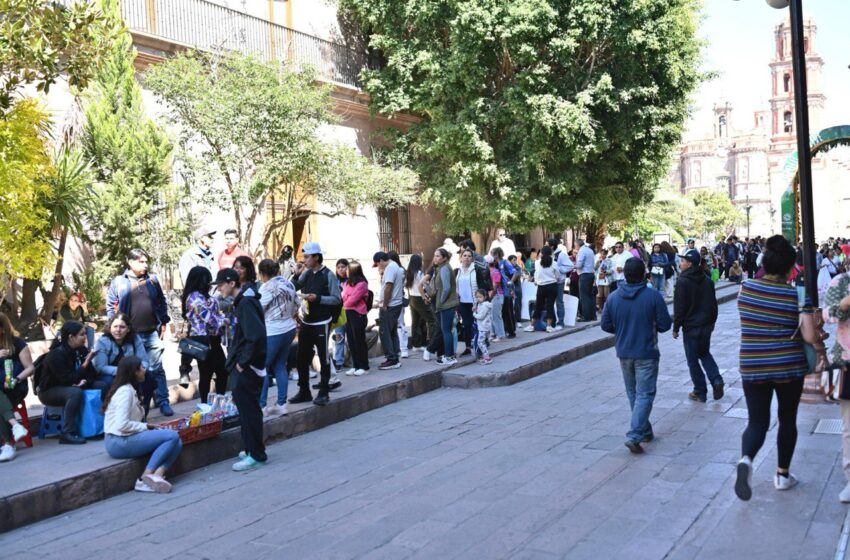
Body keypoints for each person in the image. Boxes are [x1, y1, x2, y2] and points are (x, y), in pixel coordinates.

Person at [734, 235, 814, 501]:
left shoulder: (745, 289)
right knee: (787, 418)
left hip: (753, 363)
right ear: (791, 267)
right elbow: (809, 335)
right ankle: (782, 475)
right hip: (788, 366)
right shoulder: (796, 295)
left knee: (756, 421)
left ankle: (746, 459)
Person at [601, 259, 672, 454]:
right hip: (647, 352)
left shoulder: (614, 298)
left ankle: (645, 430)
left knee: (634, 393)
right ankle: (634, 434)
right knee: (645, 394)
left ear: (624, 274)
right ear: (644, 274)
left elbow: (605, 325)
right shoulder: (653, 296)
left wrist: (622, 330)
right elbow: (665, 325)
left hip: (624, 352)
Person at [107, 248, 173, 416]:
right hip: (131, 335)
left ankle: (163, 401)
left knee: (156, 368)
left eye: (146, 261)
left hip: (152, 332)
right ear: (130, 262)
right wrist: (117, 328)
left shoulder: (152, 280)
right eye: (141, 261)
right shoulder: (118, 282)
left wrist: (163, 321)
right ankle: (140, 407)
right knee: (136, 371)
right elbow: (111, 307)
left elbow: (161, 302)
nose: (145, 265)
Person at [102, 356, 183, 493]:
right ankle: (144, 478)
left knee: (178, 441)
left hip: (127, 436)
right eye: (142, 367)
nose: (145, 370)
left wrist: (148, 428)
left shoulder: (130, 389)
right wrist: (146, 427)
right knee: (171, 436)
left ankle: (157, 476)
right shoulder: (124, 392)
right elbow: (121, 425)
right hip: (118, 441)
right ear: (135, 372)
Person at [215, 268, 268, 471]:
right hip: (245, 364)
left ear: (231, 283)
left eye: (221, 285)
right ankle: (251, 449)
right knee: (246, 410)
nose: (219, 289)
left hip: (248, 367)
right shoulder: (244, 301)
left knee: (249, 411)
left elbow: (255, 337)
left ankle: (256, 453)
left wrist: (242, 362)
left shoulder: (246, 302)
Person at [290, 242, 342, 406]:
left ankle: (324, 391)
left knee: (323, 356)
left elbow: (337, 298)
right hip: (307, 321)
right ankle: (304, 391)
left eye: (306, 257)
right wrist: (297, 275)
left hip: (322, 321)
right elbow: (293, 286)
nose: (304, 260)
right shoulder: (307, 273)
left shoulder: (328, 275)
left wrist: (317, 298)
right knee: (301, 357)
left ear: (316, 257)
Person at [673, 249, 724, 403]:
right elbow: (713, 304)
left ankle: (700, 391)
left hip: (691, 327)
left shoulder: (682, 281)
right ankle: (716, 379)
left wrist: (676, 327)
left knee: (693, 359)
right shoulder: (707, 279)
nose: (680, 263)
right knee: (705, 353)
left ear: (689, 263)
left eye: (682, 261)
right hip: (706, 325)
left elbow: (679, 308)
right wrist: (713, 321)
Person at [37, 321, 97, 444]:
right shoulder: (57, 354)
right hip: (49, 391)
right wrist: (85, 364)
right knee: (74, 393)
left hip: (72, 384)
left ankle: (98, 427)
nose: (85, 337)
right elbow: (66, 380)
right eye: (82, 334)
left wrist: (85, 381)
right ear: (71, 337)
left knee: (101, 384)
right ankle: (67, 432)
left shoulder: (81, 349)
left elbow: (93, 374)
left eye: (85, 334)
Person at [257, 259, 299, 417]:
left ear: (263, 273)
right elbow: (297, 305)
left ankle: (262, 406)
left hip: (272, 330)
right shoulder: (289, 284)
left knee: (263, 368)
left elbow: (259, 307)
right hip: (289, 327)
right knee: (280, 365)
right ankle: (282, 404)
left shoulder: (267, 287)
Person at [181, 266, 229, 404]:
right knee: (207, 374)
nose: (208, 281)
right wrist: (223, 321)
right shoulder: (194, 297)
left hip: (213, 338)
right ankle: (205, 405)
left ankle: (218, 401)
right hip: (201, 339)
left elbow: (216, 314)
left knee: (221, 372)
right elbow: (208, 317)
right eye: (206, 278)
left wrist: (220, 319)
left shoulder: (205, 295)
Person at [823, 268, 850, 503]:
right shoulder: (841, 281)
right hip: (848, 362)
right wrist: (846, 302)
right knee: (849, 426)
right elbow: (828, 314)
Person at [0, 313, 35, 461]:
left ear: (2, 328)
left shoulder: (17, 343)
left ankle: (8, 444)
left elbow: (30, 368)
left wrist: (17, 379)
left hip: (15, 387)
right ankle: (15, 425)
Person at [93, 313, 149, 398]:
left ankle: (143, 406)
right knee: (109, 382)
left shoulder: (135, 339)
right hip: (110, 374)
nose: (118, 330)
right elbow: (101, 367)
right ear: (110, 327)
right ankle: (111, 408)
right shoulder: (103, 341)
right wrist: (124, 372)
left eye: (122, 327)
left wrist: (142, 369)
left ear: (128, 329)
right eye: (115, 326)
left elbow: (144, 361)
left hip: (132, 372)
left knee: (149, 376)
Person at [373, 251, 404, 370]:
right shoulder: (395, 266)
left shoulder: (390, 268)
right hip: (394, 304)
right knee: (392, 331)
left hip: (390, 305)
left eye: (377, 264)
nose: (378, 267)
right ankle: (395, 356)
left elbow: (388, 287)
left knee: (385, 332)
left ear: (381, 260)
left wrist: (384, 304)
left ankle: (391, 358)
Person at [342, 261, 370, 376]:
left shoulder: (362, 284)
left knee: (359, 340)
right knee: (351, 340)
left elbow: (353, 299)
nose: (345, 271)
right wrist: (346, 300)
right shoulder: (347, 283)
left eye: (347, 269)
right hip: (348, 313)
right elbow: (343, 296)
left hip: (357, 313)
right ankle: (355, 365)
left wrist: (345, 302)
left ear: (353, 270)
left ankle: (364, 366)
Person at [433, 248, 459, 365]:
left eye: (438, 256)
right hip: (447, 304)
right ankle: (449, 355)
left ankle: (449, 356)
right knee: (446, 330)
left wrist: (442, 300)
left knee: (446, 331)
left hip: (447, 304)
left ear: (444, 258)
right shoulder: (443, 268)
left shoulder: (444, 269)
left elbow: (446, 288)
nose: (435, 258)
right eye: (435, 255)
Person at [525, 248, 560, 332]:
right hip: (552, 285)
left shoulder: (537, 263)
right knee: (550, 306)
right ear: (551, 253)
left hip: (541, 286)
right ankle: (549, 326)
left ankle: (532, 325)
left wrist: (537, 281)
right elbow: (557, 275)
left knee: (538, 306)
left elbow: (536, 274)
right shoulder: (554, 263)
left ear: (541, 253)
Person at [406, 254, 431, 353]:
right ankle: (425, 343)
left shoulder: (409, 273)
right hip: (419, 297)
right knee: (428, 320)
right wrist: (425, 297)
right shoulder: (419, 273)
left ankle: (416, 344)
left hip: (412, 297)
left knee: (415, 321)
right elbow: (423, 285)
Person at [491, 247, 518, 338]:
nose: (492, 256)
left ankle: (511, 331)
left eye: (493, 254)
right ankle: (505, 329)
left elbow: (515, 272)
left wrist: (511, 281)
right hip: (499, 290)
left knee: (507, 310)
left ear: (497, 254)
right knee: (501, 311)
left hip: (506, 289)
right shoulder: (494, 263)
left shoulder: (504, 262)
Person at [456, 249, 479, 356]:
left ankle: (481, 344)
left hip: (474, 301)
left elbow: (479, 286)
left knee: (478, 324)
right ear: (461, 258)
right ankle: (468, 347)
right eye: (464, 255)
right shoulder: (458, 270)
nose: (466, 258)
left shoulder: (475, 270)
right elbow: (456, 286)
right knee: (467, 324)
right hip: (462, 302)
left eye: (469, 256)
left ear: (472, 258)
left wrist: (477, 302)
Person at [331, 259, 350, 370]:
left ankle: (351, 360)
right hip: (339, 313)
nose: (341, 269)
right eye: (339, 267)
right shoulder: (334, 281)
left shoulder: (352, 280)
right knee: (339, 337)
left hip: (350, 311)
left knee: (351, 338)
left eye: (343, 267)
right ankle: (339, 361)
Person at [552, 239, 573, 327]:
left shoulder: (561, 255)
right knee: (550, 302)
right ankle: (552, 322)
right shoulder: (550, 254)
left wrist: (559, 270)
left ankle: (560, 322)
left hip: (559, 281)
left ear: (552, 246)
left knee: (559, 301)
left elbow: (570, 266)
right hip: (550, 281)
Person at [575, 239, 596, 321]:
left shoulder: (581, 251)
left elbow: (579, 265)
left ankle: (586, 316)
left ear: (577, 245)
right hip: (591, 274)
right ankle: (592, 315)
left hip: (584, 275)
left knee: (584, 296)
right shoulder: (590, 250)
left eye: (575, 245)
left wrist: (573, 266)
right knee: (590, 296)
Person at [487, 254, 505, 341]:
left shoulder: (495, 272)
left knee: (496, 316)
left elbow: (495, 287)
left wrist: (490, 296)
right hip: (491, 295)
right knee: (491, 316)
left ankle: (500, 334)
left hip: (496, 295)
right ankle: (493, 333)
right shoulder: (490, 271)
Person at [472, 289, 493, 365]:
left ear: (485, 297)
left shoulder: (485, 305)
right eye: (477, 297)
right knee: (483, 342)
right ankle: (485, 356)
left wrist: (474, 313)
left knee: (480, 343)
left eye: (480, 297)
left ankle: (487, 358)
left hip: (483, 328)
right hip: (484, 327)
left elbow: (481, 316)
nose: (478, 299)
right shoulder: (481, 304)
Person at [595, 247, 611, 313]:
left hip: (606, 279)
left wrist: (605, 272)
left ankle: (607, 308)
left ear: (606, 254)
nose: (602, 255)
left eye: (604, 254)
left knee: (606, 295)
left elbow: (611, 270)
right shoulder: (598, 260)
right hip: (599, 279)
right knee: (600, 295)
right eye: (601, 254)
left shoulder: (609, 261)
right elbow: (595, 269)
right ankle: (600, 308)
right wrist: (597, 264)